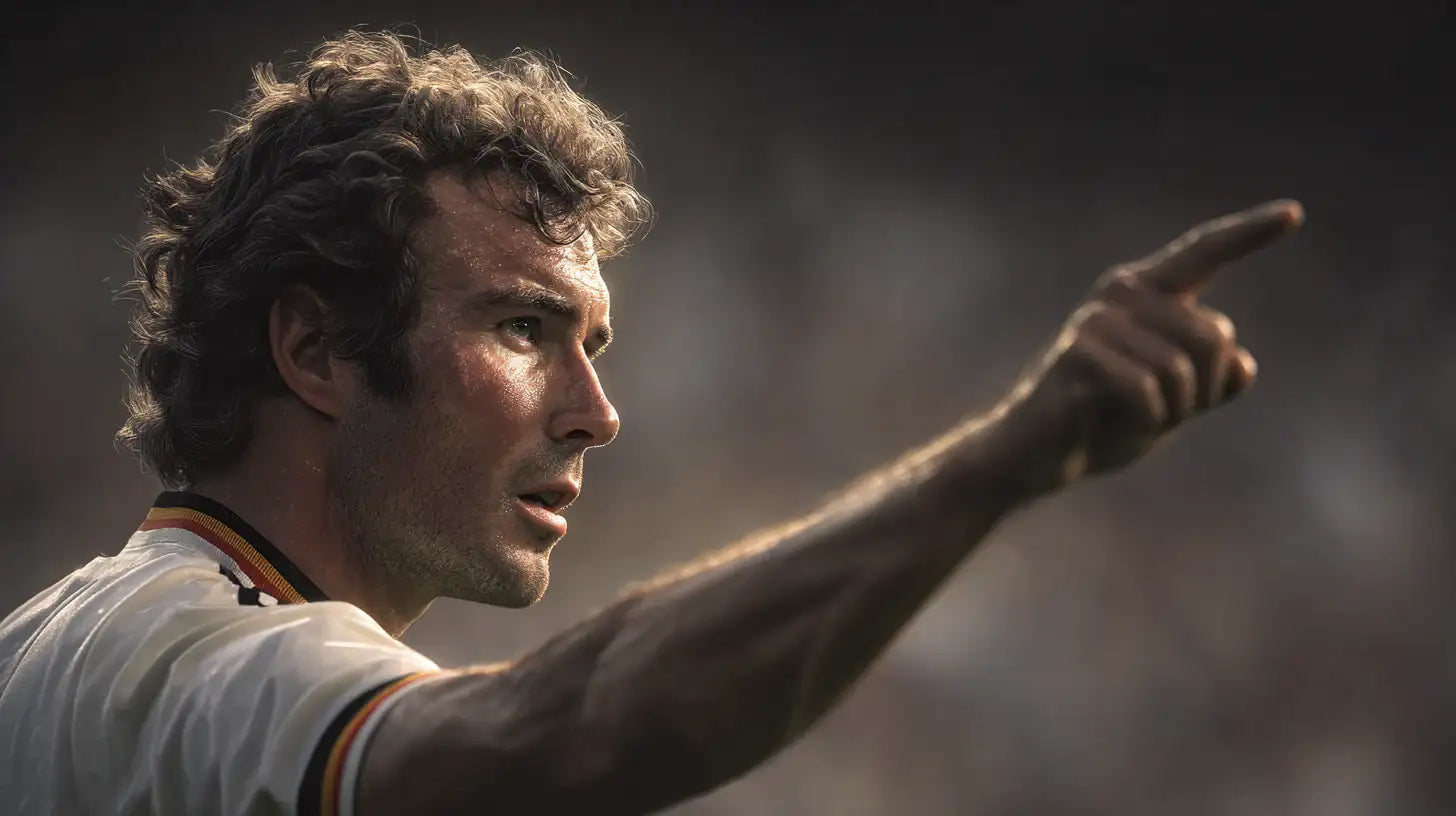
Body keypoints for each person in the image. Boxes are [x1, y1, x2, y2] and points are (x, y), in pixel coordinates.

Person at [0, 29, 1302, 816]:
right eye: (522, 328)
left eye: (594, 345)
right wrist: (1008, 460)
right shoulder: (162, 660)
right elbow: (567, 733)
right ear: (317, 346)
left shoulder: (80, 649)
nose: (598, 415)